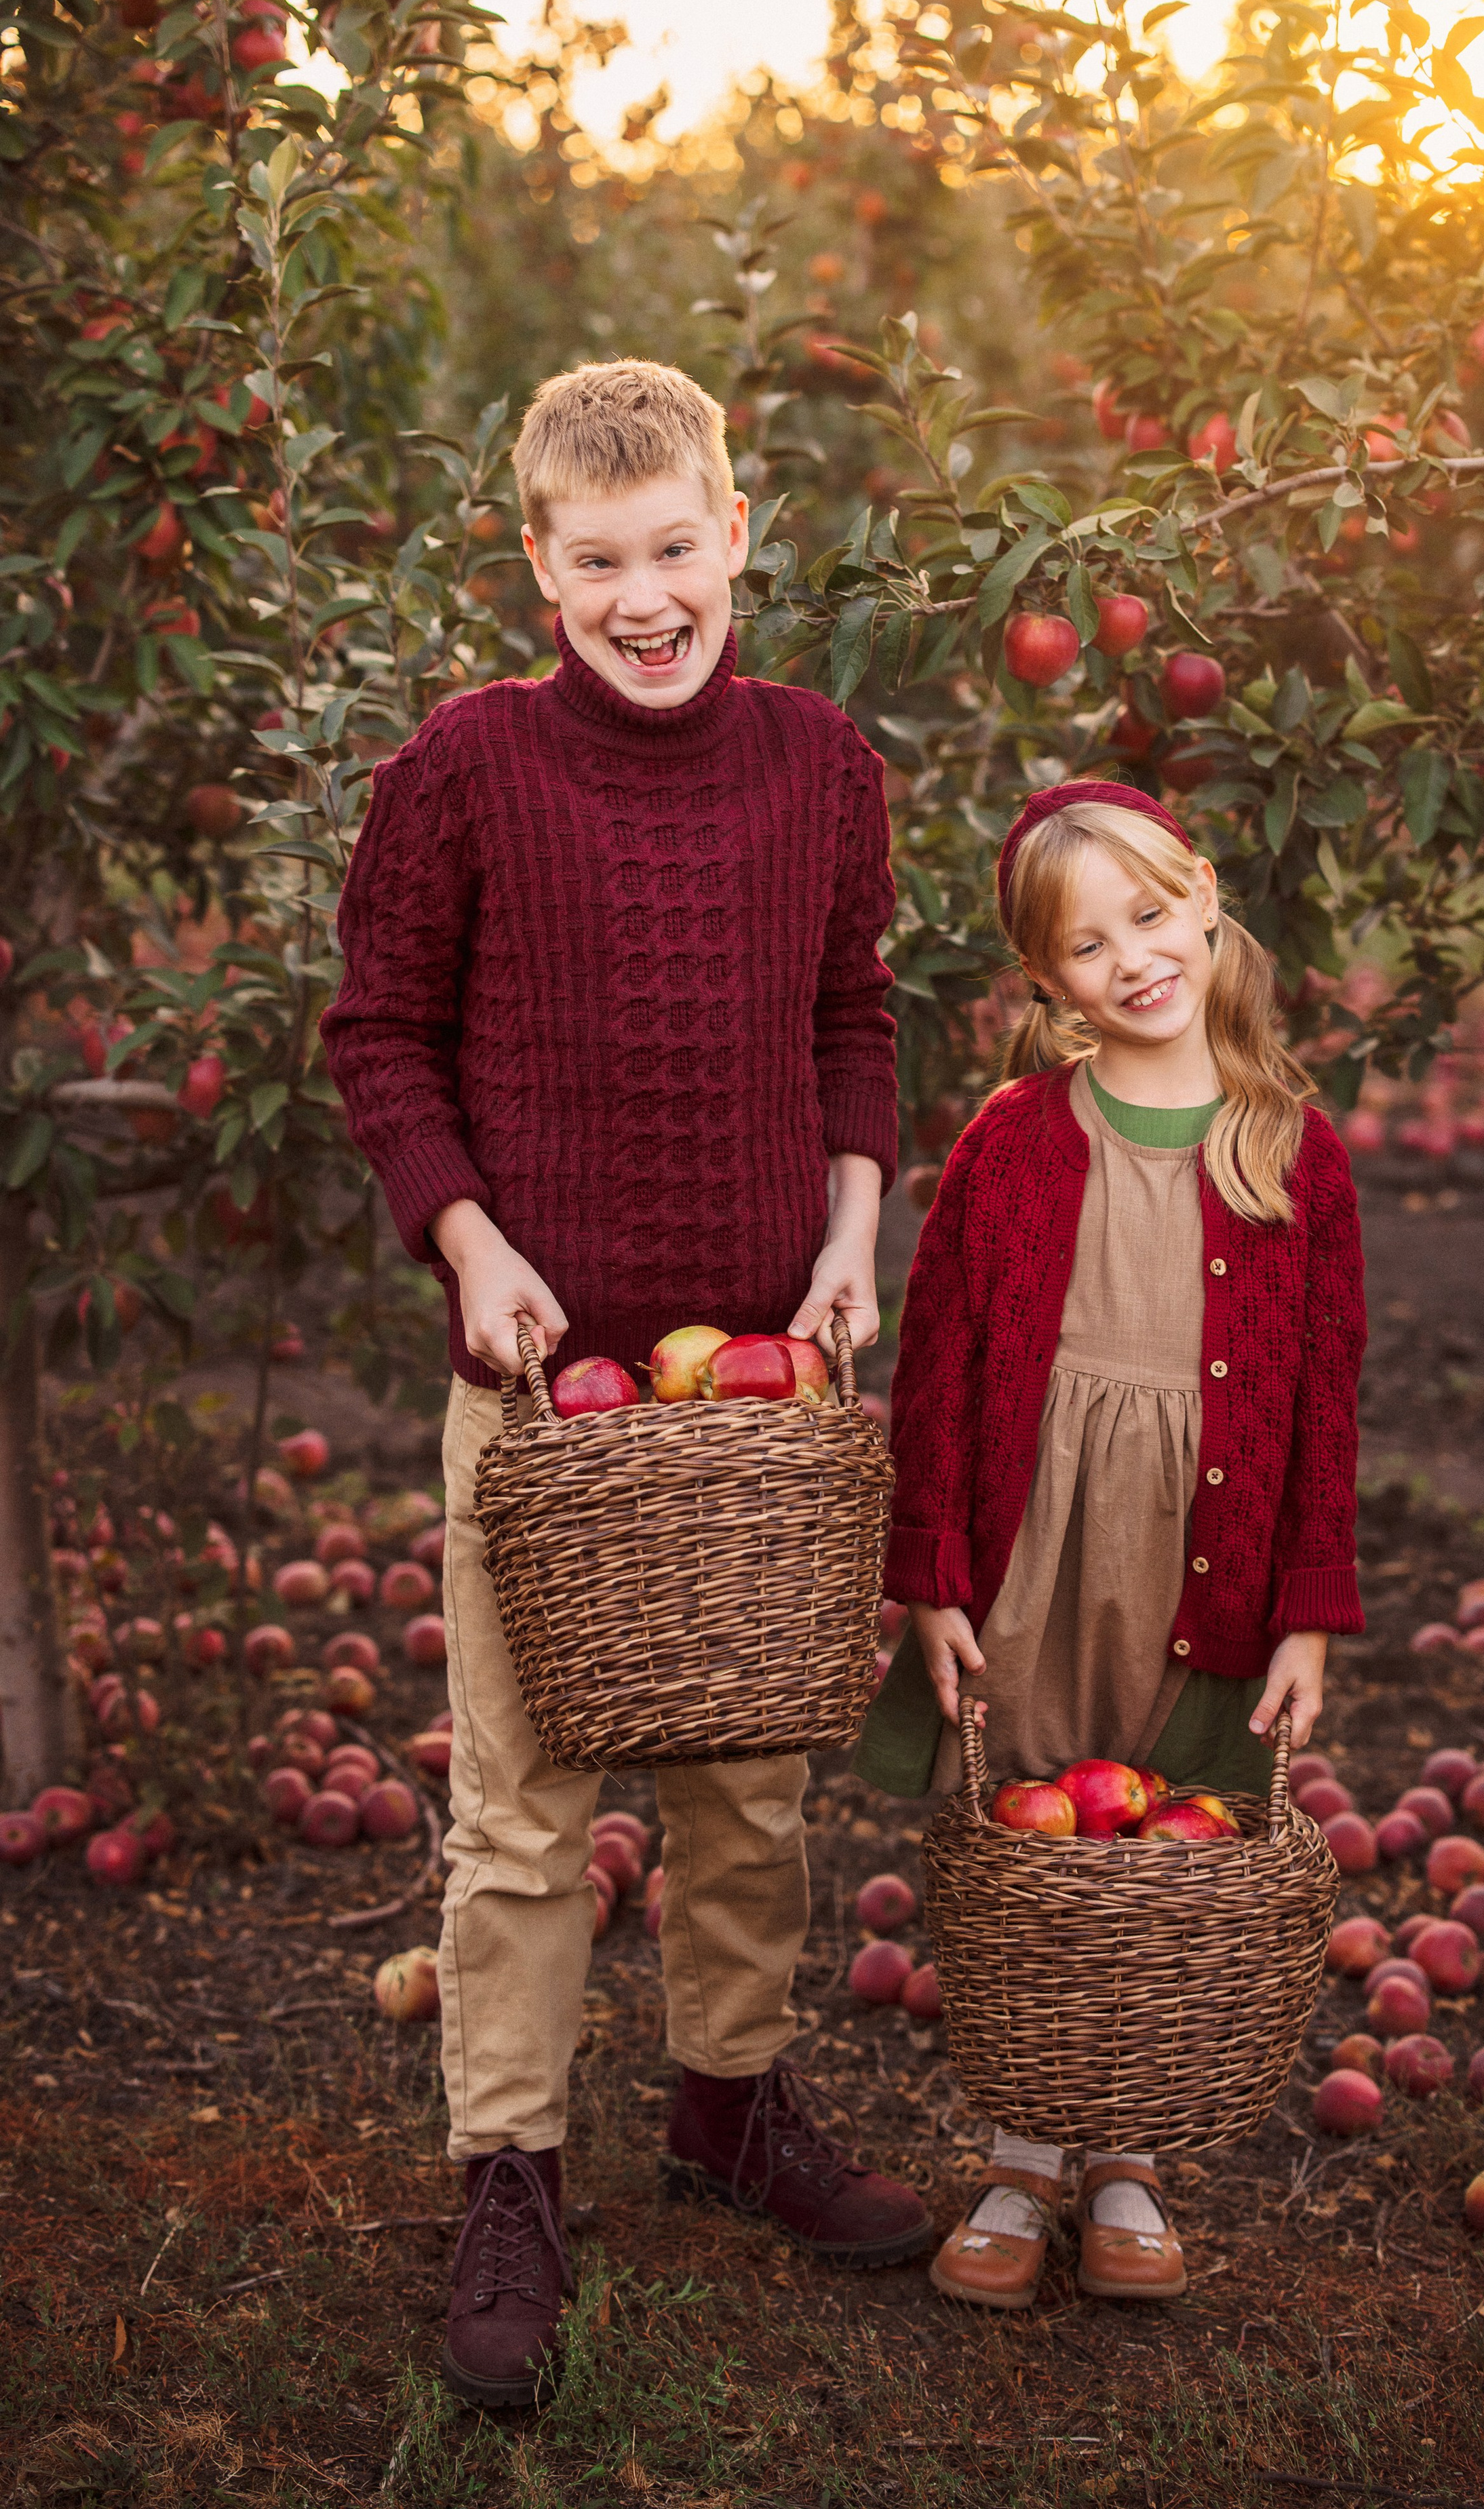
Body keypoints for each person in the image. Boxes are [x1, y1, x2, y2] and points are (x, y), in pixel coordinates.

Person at [321, 359, 931, 2411]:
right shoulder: (468, 766)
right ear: (539, 565)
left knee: (753, 1781)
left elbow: (854, 1015)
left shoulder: (823, 763)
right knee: (522, 1804)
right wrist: (473, 1245)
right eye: (601, 561)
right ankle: (513, 2158)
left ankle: (732, 2101)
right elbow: (379, 1034)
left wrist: (855, 1241)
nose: (647, 596)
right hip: (545, 1391)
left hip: (760, 1377)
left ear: (739, 531)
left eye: (679, 547)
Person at [854, 776, 1365, 2310]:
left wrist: (1305, 1612)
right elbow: (940, 1361)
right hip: (1037, 1534)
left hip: (1199, 1551)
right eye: (1086, 945)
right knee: (1032, 1837)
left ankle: (1124, 2150)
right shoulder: (1013, 1139)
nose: (1132, 958)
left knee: (1165, 1831)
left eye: (1149, 915)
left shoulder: (1290, 1146)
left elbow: (1325, 1394)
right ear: (1043, 981)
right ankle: (1019, 2150)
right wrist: (930, 1575)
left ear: (1203, 897)